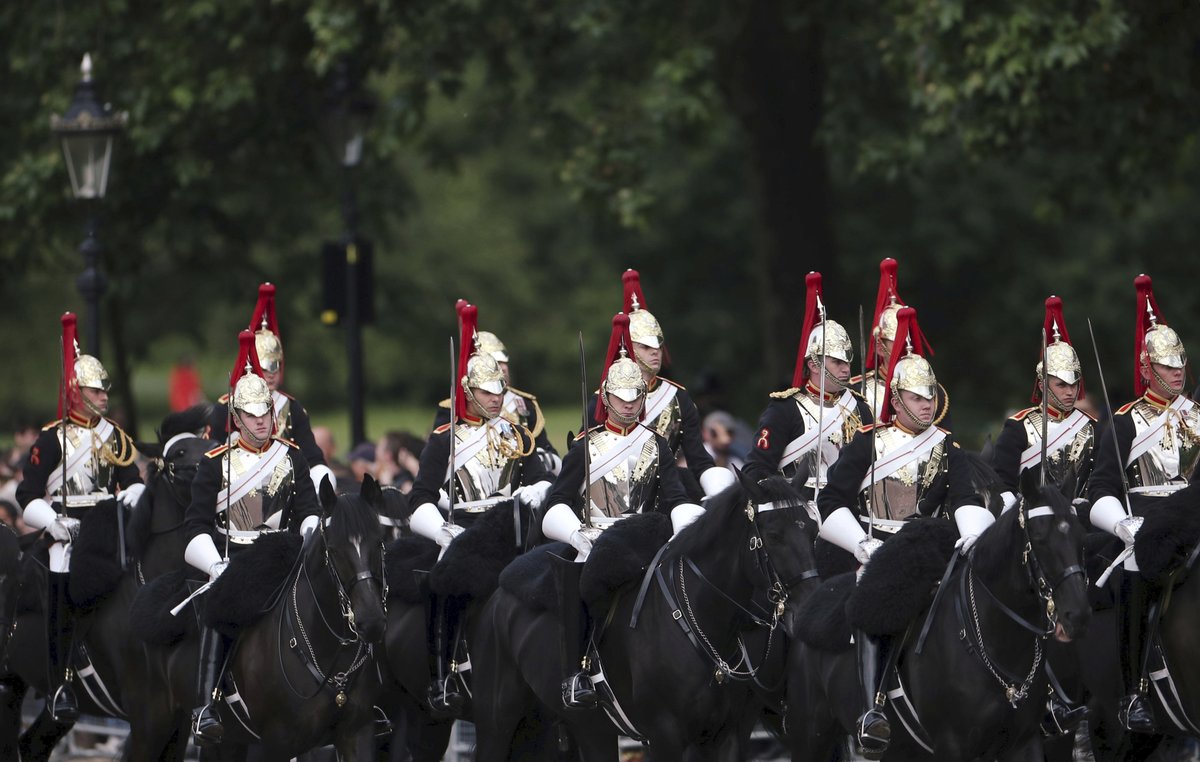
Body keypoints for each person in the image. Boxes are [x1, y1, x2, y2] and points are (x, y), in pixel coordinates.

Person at [817, 307, 986, 757]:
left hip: (934, 546)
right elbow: (830, 500)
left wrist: (971, 533)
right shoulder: (869, 441)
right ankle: (873, 708)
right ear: (895, 400)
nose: (926, 404)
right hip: (880, 549)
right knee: (879, 600)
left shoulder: (947, 444)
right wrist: (861, 543)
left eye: (930, 395)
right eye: (915, 397)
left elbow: (967, 496)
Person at [542, 313, 701, 709]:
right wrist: (578, 535)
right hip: (596, 539)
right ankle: (576, 671)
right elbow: (557, 501)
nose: (628, 407)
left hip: (647, 536)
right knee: (576, 579)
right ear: (606, 397)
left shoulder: (657, 444)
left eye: (635, 400)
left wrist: (685, 528)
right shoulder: (585, 446)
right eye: (620, 399)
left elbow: (676, 495)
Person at [407, 303, 553, 716]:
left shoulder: (517, 433)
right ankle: (443, 675)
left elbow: (539, 477)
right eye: (487, 392)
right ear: (469, 391)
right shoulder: (444, 439)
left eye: (499, 391)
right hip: (466, 529)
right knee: (445, 582)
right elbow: (419, 498)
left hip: (515, 527)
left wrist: (537, 491)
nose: (496, 398)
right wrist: (441, 532)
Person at [182, 332, 320, 745]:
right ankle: (206, 704)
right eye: (252, 415)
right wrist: (215, 565)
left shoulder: (291, 455)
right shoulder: (214, 464)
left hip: (284, 554)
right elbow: (196, 525)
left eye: (266, 414)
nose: (262, 421)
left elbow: (309, 509)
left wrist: (311, 534)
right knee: (219, 606)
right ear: (237, 417)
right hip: (235, 557)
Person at [16, 313, 143, 723]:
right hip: (67, 532)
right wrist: (51, 521)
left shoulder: (114, 435)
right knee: (61, 583)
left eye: (105, 391)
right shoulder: (51, 439)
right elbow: (26, 494)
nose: (104, 397)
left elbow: (133, 480)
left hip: (111, 529)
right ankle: (59, 682)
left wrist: (135, 501)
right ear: (76, 391)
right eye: (95, 390)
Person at [1088, 274, 1200, 734]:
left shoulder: (1198, 417)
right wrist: (1124, 527)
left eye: (1180, 364)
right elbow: (1101, 490)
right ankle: (1134, 688)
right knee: (1137, 571)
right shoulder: (1125, 422)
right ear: (1147, 367)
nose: (1177, 372)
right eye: (1167, 366)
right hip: (1147, 524)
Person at [743, 272, 873, 493]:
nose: (845, 368)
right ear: (813, 365)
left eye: (847, 362)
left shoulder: (860, 408)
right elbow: (758, 469)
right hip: (802, 508)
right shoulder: (785, 409)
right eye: (836, 362)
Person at [609, 270, 732, 500]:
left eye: (658, 346)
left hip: (673, 491)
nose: (655, 353)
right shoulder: (604, 399)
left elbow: (697, 457)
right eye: (646, 347)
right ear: (629, 347)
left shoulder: (678, 397)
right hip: (618, 496)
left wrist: (717, 489)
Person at [208, 283, 334, 491]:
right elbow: (211, 455)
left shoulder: (292, 408)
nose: (271, 374)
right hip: (237, 490)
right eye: (266, 367)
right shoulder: (225, 407)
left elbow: (312, 457)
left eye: (276, 366)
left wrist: (322, 482)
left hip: (286, 492)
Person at [433, 299, 562, 474]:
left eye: (504, 362)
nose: (503, 368)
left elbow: (547, 452)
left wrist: (541, 459)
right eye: (495, 363)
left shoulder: (523, 404)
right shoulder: (452, 408)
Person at [991, 296, 1096, 507]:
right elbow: (1002, 483)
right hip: (1034, 519)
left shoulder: (1092, 426)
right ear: (1042, 385)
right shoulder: (1018, 427)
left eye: (1074, 384)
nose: (1070, 392)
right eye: (1061, 385)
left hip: (1082, 518)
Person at [852, 258, 950, 427]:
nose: (908, 348)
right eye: (898, 342)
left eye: (910, 340)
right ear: (879, 347)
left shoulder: (935, 393)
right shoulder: (856, 391)